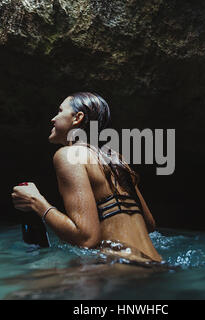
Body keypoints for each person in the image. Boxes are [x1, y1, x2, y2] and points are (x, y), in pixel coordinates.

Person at [11, 92, 162, 263]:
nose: (53, 118)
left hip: (122, 269)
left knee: (19, 288)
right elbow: (149, 224)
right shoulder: (116, 158)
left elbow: (86, 239)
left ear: (77, 118)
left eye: (60, 111)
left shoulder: (69, 154)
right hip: (155, 265)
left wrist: (36, 202)